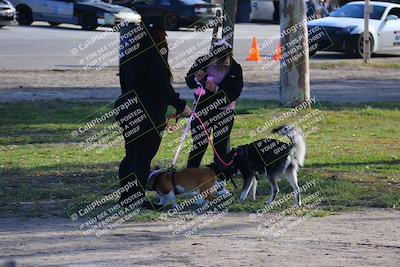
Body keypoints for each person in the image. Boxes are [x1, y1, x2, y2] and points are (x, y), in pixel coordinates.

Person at [115, 17, 191, 209]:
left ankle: (126, 198)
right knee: (142, 157)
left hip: (127, 107)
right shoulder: (155, 56)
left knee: (131, 155)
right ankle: (136, 200)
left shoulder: (130, 54)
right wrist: (181, 106)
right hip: (147, 111)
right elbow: (162, 87)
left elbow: (125, 82)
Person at [185, 39, 243, 170]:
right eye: (215, 60)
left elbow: (235, 93)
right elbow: (189, 81)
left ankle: (220, 179)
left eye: (223, 61)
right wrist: (196, 78)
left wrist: (216, 89)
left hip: (224, 111)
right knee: (199, 145)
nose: (219, 64)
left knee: (220, 146)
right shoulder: (202, 61)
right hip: (202, 110)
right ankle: (190, 176)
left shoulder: (235, 69)